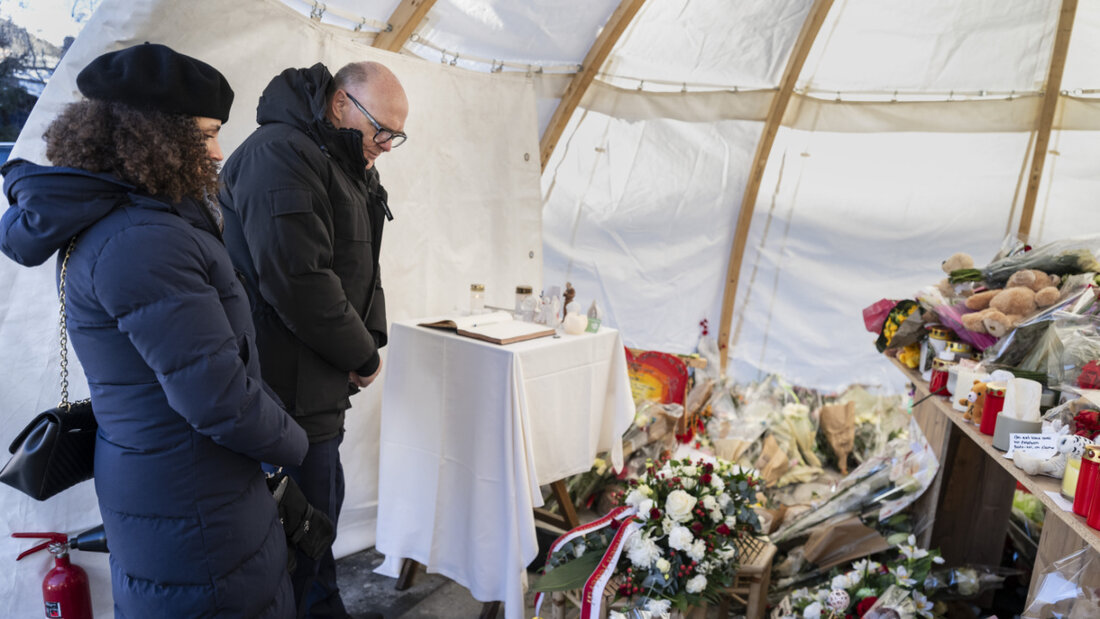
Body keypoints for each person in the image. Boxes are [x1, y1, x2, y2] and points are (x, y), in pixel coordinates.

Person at [0, 43, 308, 618]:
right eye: (207, 133)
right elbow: (218, 399)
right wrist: (295, 444)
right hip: (191, 497)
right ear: (155, 136)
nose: (218, 151)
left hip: (180, 484)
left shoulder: (137, 219)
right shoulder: (142, 240)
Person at [218, 60, 408, 618]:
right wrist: (363, 353)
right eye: (383, 129)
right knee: (300, 528)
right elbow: (300, 281)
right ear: (339, 104)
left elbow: (358, 265)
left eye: (397, 134)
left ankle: (325, 608)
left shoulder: (342, 158)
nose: (389, 144)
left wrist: (367, 338)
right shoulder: (281, 154)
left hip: (316, 380)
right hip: (285, 387)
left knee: (319, 514)